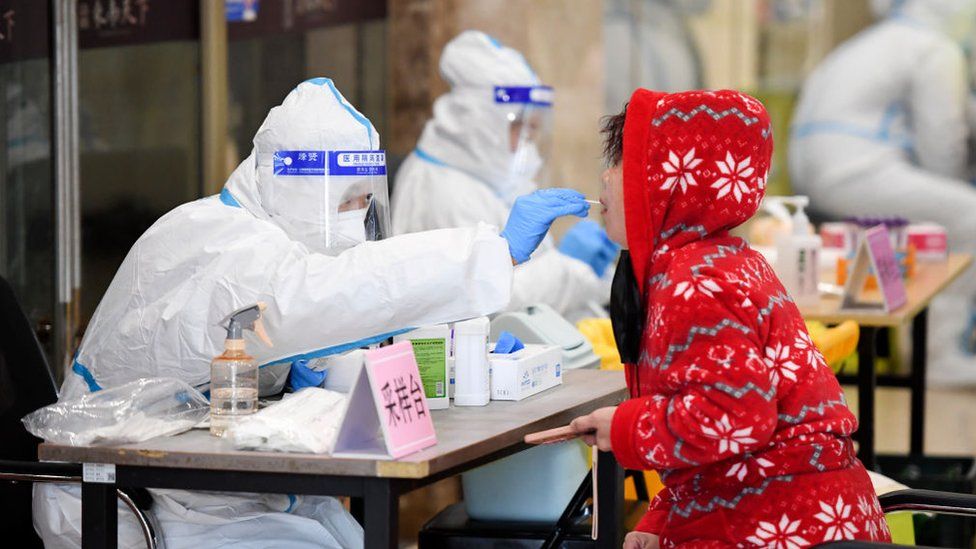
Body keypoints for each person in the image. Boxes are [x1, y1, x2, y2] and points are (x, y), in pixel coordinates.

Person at [33, 78, 591, 548]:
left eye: (363, 202)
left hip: (214, 483)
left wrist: (458, 344)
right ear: (296, 187)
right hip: (125, 500)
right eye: (345, 203)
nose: (357, 218)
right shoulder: (217, 242)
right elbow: (319, 296)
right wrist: (490, 251)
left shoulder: (274, 244)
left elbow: (327, 313)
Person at [570, 89, 890, 547]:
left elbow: (735, 415)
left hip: (784, 526)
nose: (605, 176)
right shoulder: (719, 261)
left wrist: (623, 427)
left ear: (673, 179)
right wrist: (659, 521)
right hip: (794, 516)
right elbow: (718, 447)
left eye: (622, 159)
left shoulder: (696, 282)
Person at [789, 0, 976, 386]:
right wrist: (955, 188)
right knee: (969, 216)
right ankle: (940, 355)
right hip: (856, 171)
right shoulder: (934, 48)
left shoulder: (869, 43)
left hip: (810, 174)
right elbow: (944, 143)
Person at [392, 31, 618, 317]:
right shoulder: (440, 188)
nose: (526, 143)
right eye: (518, 128)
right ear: (481, 124)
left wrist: (593, 274)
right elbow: (483, 302)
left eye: (533, 129)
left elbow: (530, 275)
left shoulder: (490, 175)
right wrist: (566, 265)